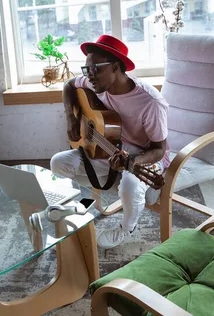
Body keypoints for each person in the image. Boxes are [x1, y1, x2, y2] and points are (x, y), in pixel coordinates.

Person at [50, 34, 170, 249]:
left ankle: (126, 228)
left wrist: (132, 160)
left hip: (143, 154)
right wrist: (71, 116)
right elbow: (69, 85)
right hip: (106, 147)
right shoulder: (94, 84)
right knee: (58, 162)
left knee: (131, 183)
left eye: (96, 69)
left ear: (115, 67)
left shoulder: (150, 102)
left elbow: (159, 150)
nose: (90, 76)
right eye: (86, 70)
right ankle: (77, 205)